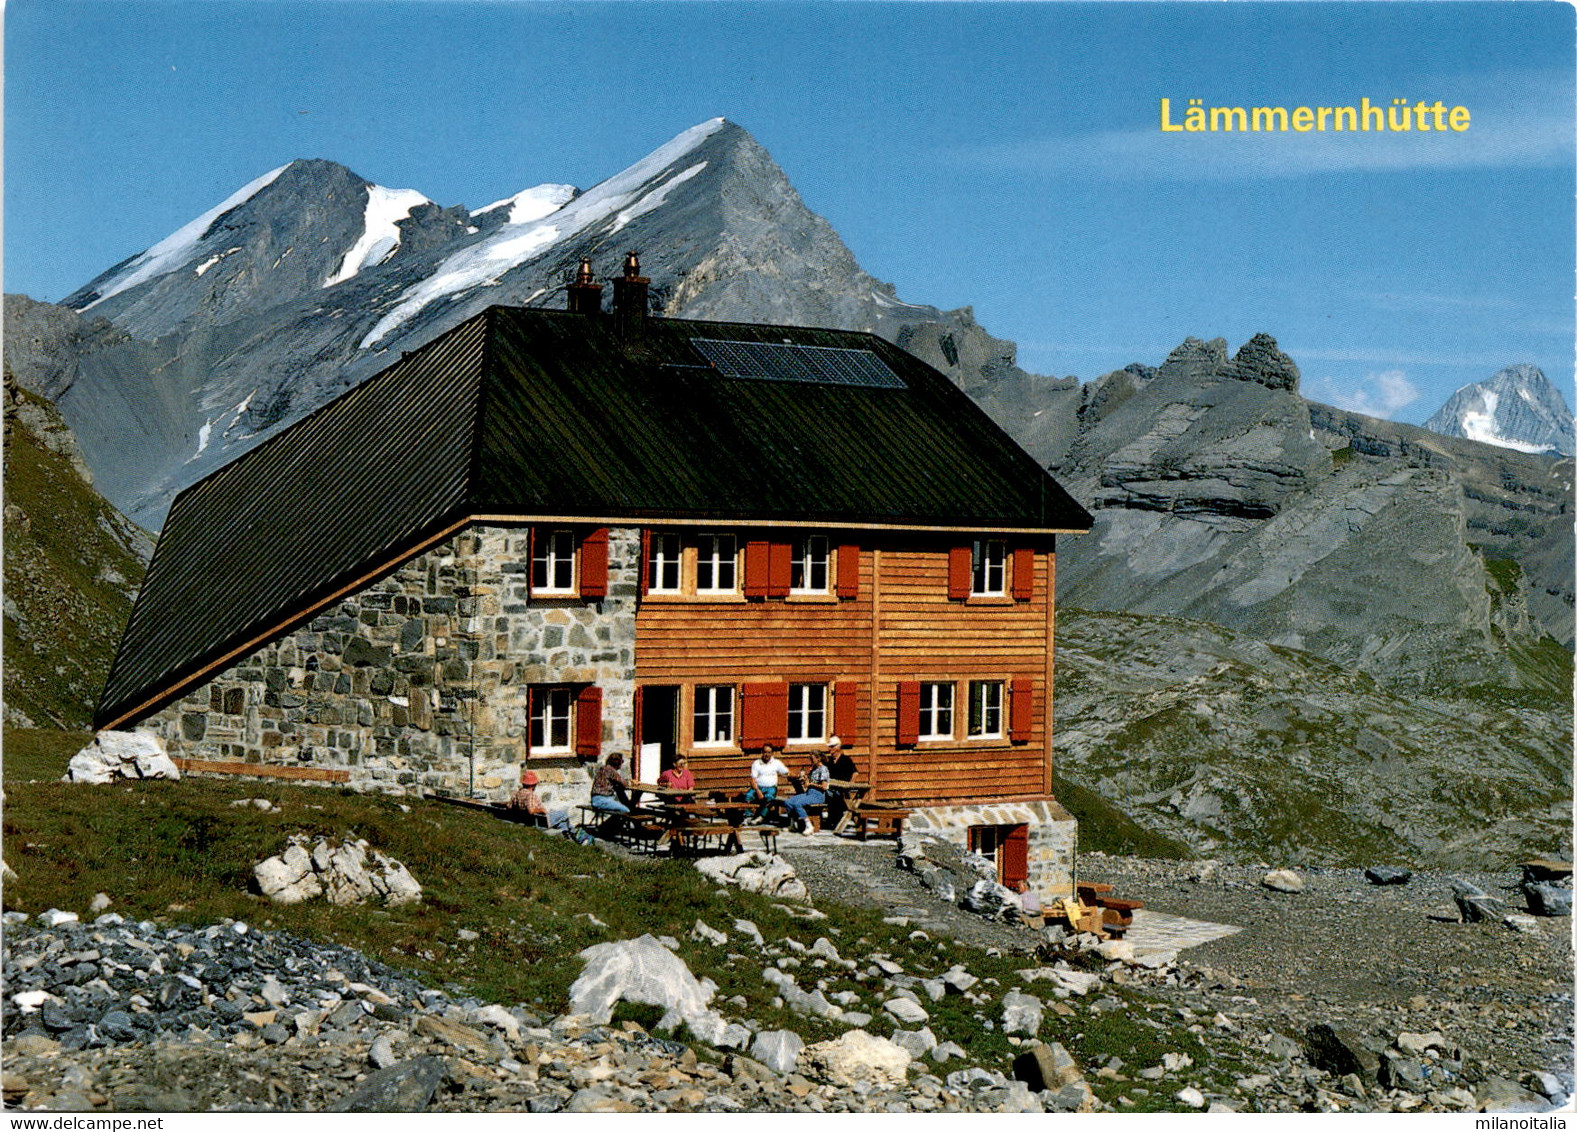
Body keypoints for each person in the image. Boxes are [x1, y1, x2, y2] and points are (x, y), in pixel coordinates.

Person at [783, 750, 831, 834]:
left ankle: (809, 826)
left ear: (818, 759)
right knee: (788, 802)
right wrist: (805, 779)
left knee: (798, 804)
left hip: (818, 795)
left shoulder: (823, 769)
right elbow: (808, 784)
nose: (811, 761)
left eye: (812, 759)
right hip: (809, 793)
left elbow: (824, 787)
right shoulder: (814, 769)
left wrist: (810, 784)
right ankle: (792, 824)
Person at [744, 744, 790, 823]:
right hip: (758, 787)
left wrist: (796, 775)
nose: (767, 754)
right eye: (765, 752)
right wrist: (758, 791)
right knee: (748, 795)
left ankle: (761, 817)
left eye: (769, 752)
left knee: (769, 797)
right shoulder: (757, 763)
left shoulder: (776, 763)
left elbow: (786, 772)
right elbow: (752, 780)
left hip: (771, 787)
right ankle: (748, 816)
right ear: (762, 752)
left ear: (772, 753)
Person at [823, 736, 860, 827]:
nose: (830, 749)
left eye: (832, 747)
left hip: (843, 789)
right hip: (832, 787)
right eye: (829, 747)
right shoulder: (829, 761)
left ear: (838, 747)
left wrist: (850, 784)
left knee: (836, 796)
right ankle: (832, 820)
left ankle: (835, 820)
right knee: (827, 794)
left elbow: (855, 773)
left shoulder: (846, 760)